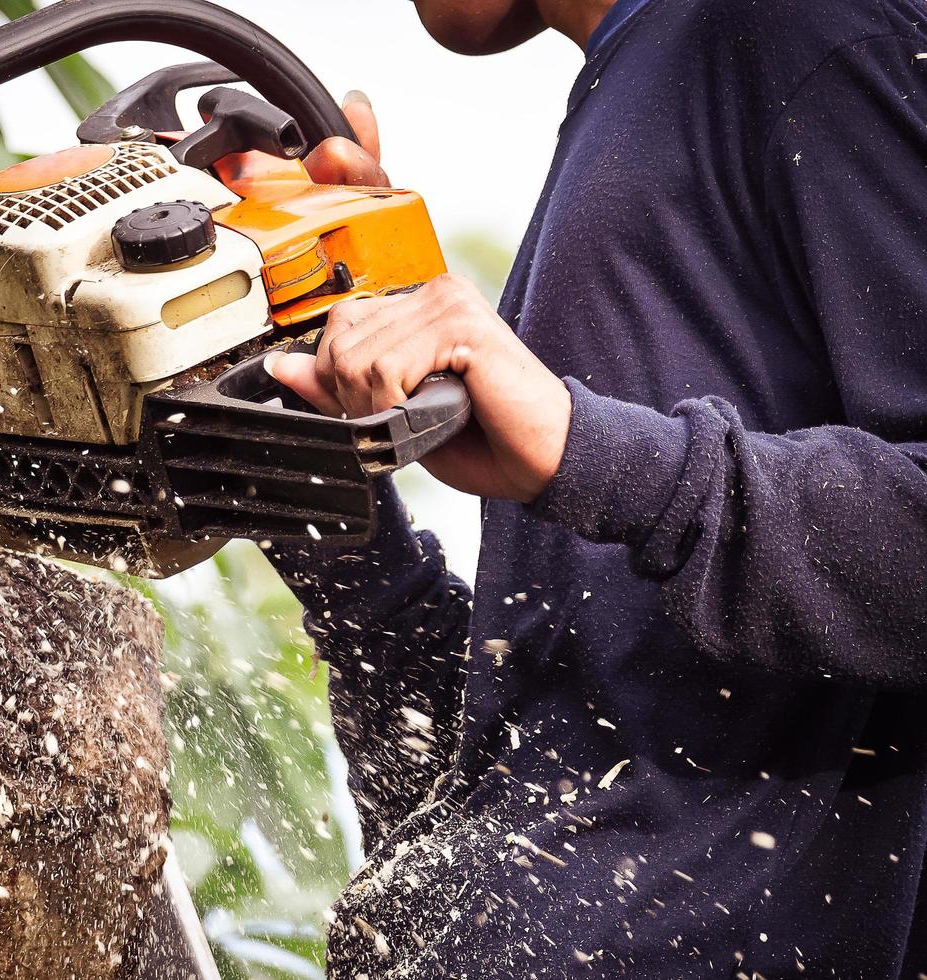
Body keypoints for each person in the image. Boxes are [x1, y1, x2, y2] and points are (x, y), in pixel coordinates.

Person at [264, 0, 927, 975]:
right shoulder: (638, 101)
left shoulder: (808, 25)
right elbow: (531, 786)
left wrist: (590, 449)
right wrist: (319, 486)